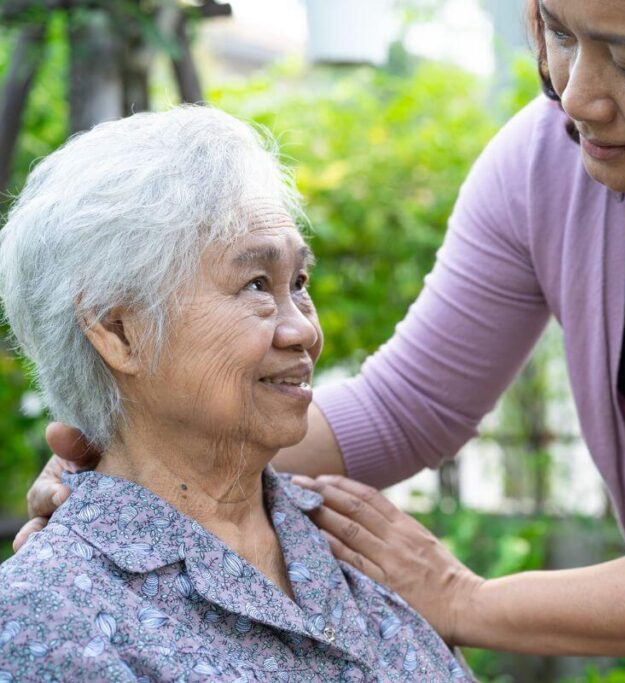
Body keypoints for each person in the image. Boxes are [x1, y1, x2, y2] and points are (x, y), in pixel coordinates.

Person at [19, 0, 625, 681]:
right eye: (555, 29)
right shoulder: (550, 165)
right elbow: (406, 409)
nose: (577, 93)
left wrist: (463, 598)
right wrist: (135, 464)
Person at [0, 107, 469, 681]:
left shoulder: (359, 543)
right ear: (118, 331)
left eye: (299, 283)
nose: (304, 331)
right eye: (255, 285)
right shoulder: (49, 617)